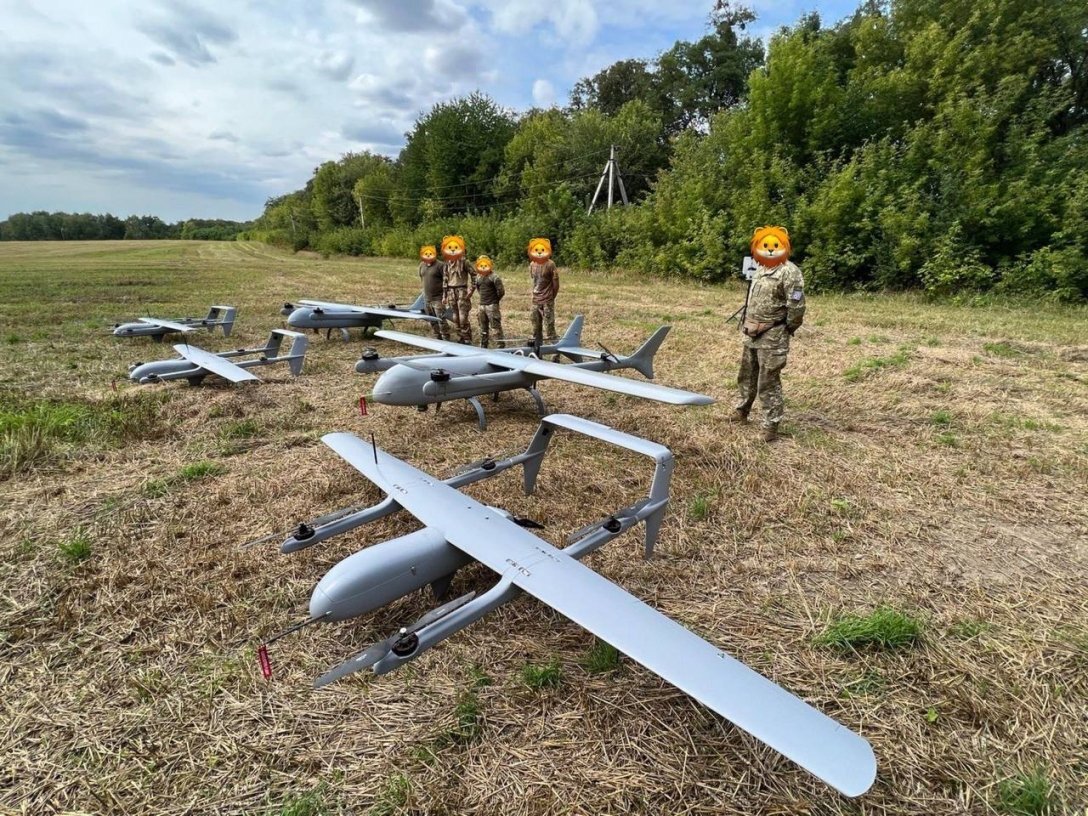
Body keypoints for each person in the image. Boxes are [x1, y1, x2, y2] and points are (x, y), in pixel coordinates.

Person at [730, 225, 806, 442]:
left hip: (773, 333)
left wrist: (787, 327)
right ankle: (741, 411)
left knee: (768, 380)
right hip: (752, 331)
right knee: (746, 374)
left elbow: (797, 306)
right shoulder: (761, 267)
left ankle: (770, 426)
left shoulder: (790, 272)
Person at [440, 235, 476, 344]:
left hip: (462, 290)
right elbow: (445, 279)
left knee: (462, 317)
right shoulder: (447, 264)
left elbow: (474, 275)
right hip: (451, 292)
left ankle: (467, 339)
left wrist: (471, 289)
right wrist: (444, 295)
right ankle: (460, 337)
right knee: (455, 317)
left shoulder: (464, 262)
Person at [527, 237, 559, 348]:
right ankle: (537, 352)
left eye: (542, 249)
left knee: (549, 329)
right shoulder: (532, 265)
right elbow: (535, 281)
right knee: (536, 329)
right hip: (535, 301)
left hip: (547, 301)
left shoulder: (551, 264)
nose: (539, 253)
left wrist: (551, 297)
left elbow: (556, 283)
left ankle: (556, 353)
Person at [418, 244, 449, 341]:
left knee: (441, 319)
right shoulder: (421, 265)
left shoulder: (441, 265)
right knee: (431, 319)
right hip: (427, 299)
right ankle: (437, 336)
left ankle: (446, 338)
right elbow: (421, 278)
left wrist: (445, 296)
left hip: (438, 299)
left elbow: (446, 281)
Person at [473, 255, 505, 348]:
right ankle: (483, 346)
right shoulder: (478, 277)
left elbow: (501, 292)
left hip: (492, 306)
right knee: (483, 328)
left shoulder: (494, 277)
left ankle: (500, 347)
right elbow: (478, 289)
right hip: (481, 306)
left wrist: (494, 301)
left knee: (496, 328)